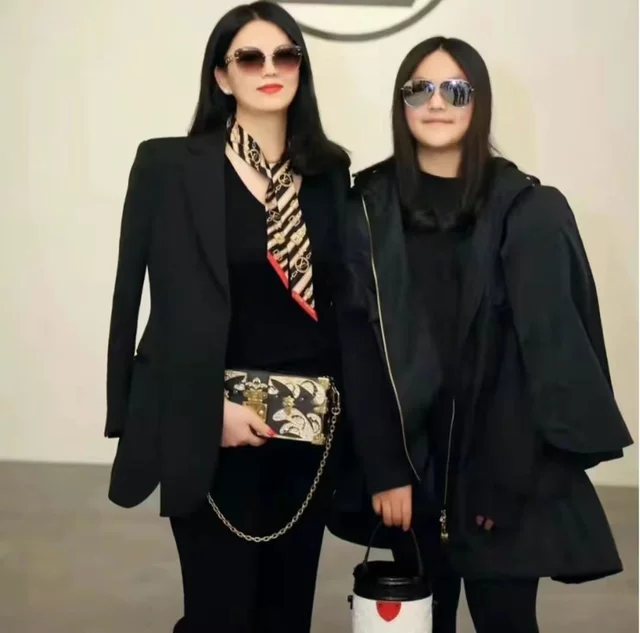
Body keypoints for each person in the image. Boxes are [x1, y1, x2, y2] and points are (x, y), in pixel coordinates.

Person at [328, 36, 633, 633]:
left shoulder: (529, 210)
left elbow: (545, 358)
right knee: (420, 622)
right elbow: (359, 351)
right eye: (420, 89)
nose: (437, 102)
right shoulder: (367, 209)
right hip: (412, 473)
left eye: (456, 90)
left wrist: (504, 482)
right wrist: (387, 471)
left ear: (480, 102)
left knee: (507, 621)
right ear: (401, 102)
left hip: (502, 475)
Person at [104, 3, 350, 631]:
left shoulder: (329, 173)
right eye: (250, 57)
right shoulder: (168, 167)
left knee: (287, 615)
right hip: (208, 425)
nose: (270, 69)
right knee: (219, 614)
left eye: (285, 56)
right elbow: (135, 301)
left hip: (305, 428)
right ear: (222, 75)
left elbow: (341, 304)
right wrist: (191, 408)